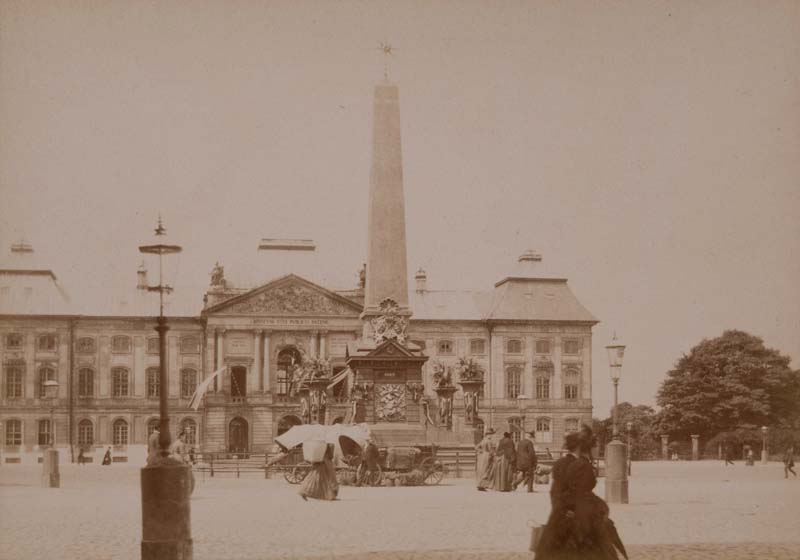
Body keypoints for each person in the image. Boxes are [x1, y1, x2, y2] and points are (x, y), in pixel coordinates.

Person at [536, 426, 628, 560]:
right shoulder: (582, 465)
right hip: (579, 520)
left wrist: (560, 510)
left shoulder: (560, 463)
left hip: (560, 517)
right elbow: (581, 494)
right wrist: (600, 507)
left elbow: (555, 492)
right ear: (582, 446)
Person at [476, 427, 496, 491]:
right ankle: (483, 485)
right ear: (488, 435)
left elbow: (476, 447)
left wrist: (481, 451)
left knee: (482, 470)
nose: (491, 436)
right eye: (491, 434)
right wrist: (494, 455)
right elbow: (491, 450)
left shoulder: (483, 440)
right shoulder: (488, 441)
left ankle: (480, 484)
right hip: (487, 456)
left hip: (482, 456)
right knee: (486, 471)